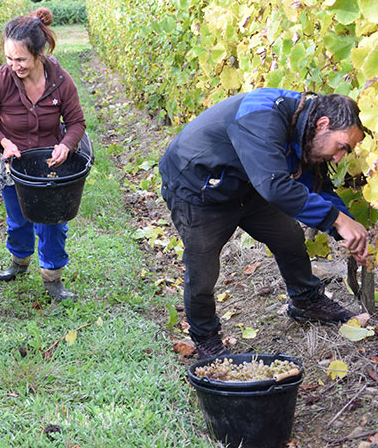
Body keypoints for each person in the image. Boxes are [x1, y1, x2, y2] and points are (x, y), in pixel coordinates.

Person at [158, 88, 369, 359]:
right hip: (198, 189)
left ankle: (306, 300)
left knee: (288, 237)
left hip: (246, 184)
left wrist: (347, 230)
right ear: (323, 124)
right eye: (342, 147)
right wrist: (336, 220)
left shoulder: (303, 126)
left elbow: (316, 186)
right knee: (203, 269)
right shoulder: (263, 116)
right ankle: (205, 337)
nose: (340, 158)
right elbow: (275, 187)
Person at [0, 7, 86, 301]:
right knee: (18, 218)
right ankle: (18, 263)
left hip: (51, 163)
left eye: (21, 59)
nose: (14, 65)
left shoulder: (60, 80)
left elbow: (76, 123)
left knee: (52, 221)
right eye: (9, 58)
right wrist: (3, 142)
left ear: (39, 54)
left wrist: (66, 145)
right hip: (15, 163)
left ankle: (52, 279)